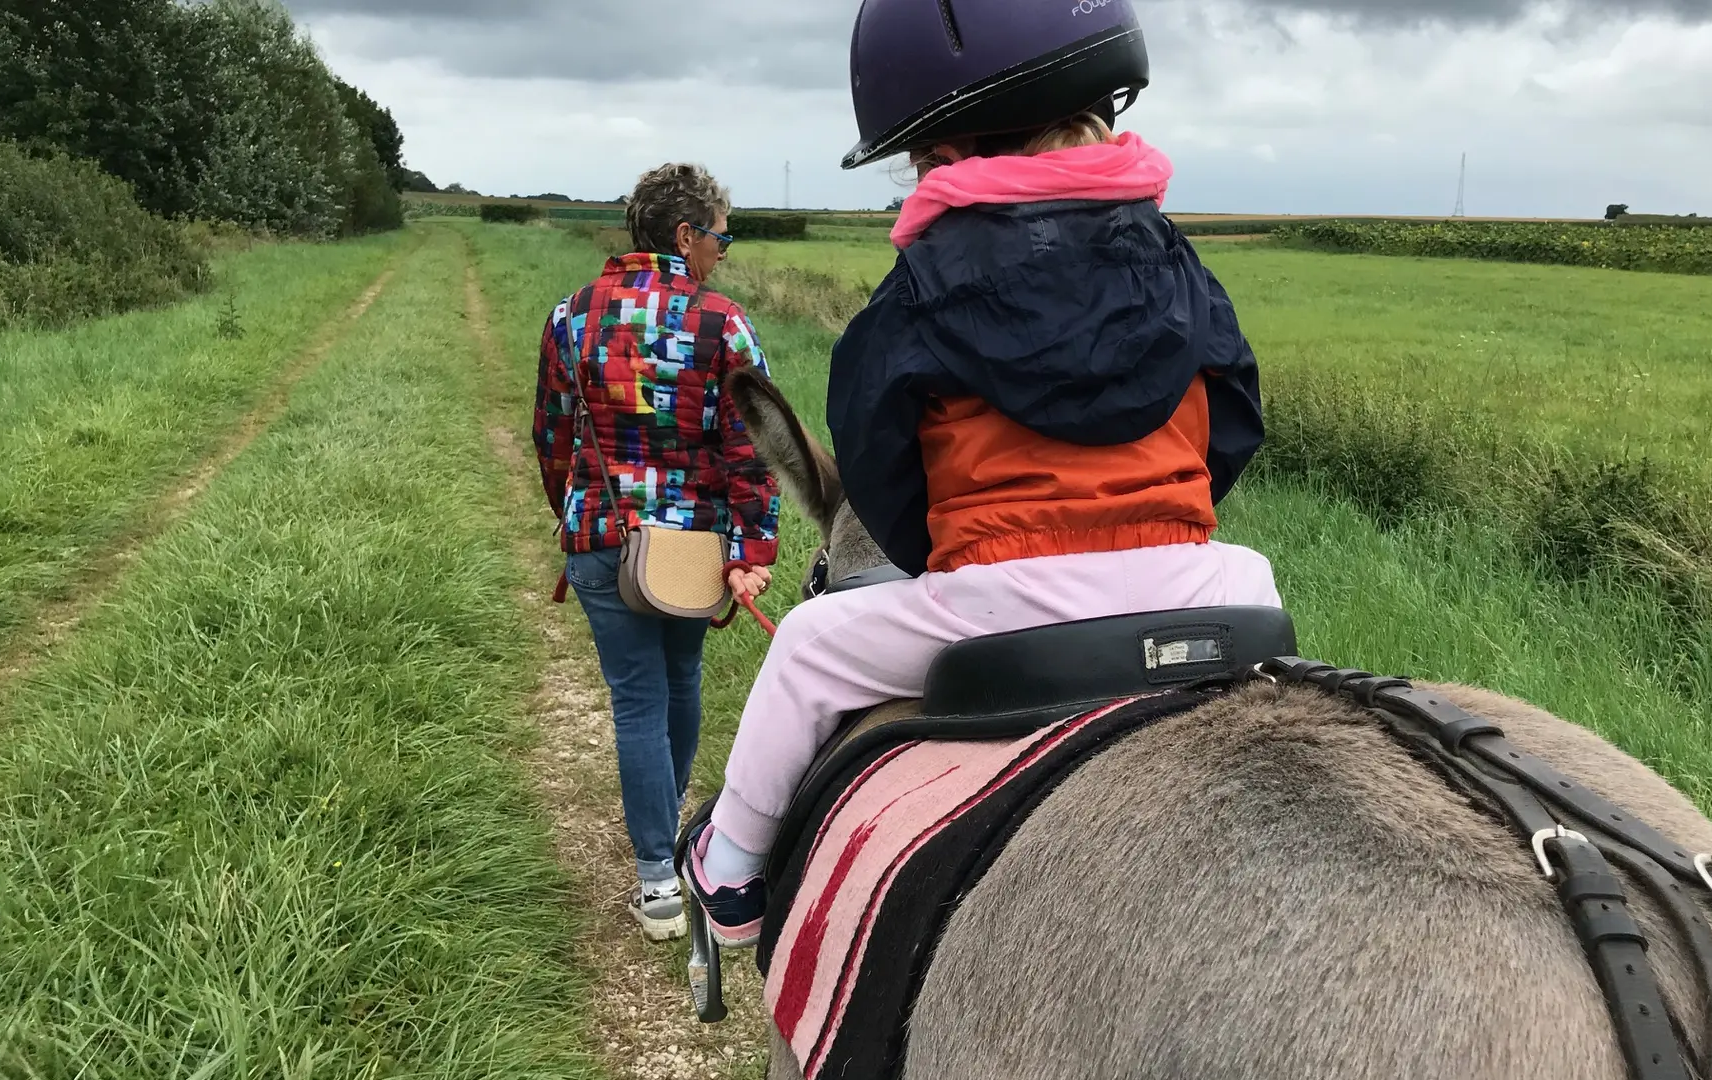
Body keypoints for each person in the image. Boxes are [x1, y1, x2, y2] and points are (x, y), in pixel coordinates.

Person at [682, 0, 1282, 947]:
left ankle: (729, 873)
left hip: (1013, 596)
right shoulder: (1175, 261)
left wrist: (947, 551)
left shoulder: (924, 282)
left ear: (945, 154)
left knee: (805, 648)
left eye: (917, 158)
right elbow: (1236, 417)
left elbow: (875, 452)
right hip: (1196, 582)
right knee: (1262, 588)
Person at [533, 162, 779, 942]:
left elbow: (551, 437)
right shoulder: (721, 324)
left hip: (601, 536)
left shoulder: (570, 316)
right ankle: (667, 852)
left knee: (637, 698)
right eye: (721, 236)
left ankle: (655, 880)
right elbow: (755, 446)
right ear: (685, 235)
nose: (724, 251)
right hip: (692, 545)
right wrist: (752, 546)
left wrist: (575, 517)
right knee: (677, 685)